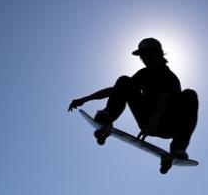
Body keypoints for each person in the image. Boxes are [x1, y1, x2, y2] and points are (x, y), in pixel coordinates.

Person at [68, 37, 198, 159]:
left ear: (159, 55)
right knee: (124, 81)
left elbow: (164, 100)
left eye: (149, 55)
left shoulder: (169, 77)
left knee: (190, 95)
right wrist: (84, 99)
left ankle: (178, 147)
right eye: (143, 56)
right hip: (146, 120)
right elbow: (117, 90)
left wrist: (153, 122)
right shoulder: (143, 74)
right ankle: (108, 116)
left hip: (169, 124)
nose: (145, 59)